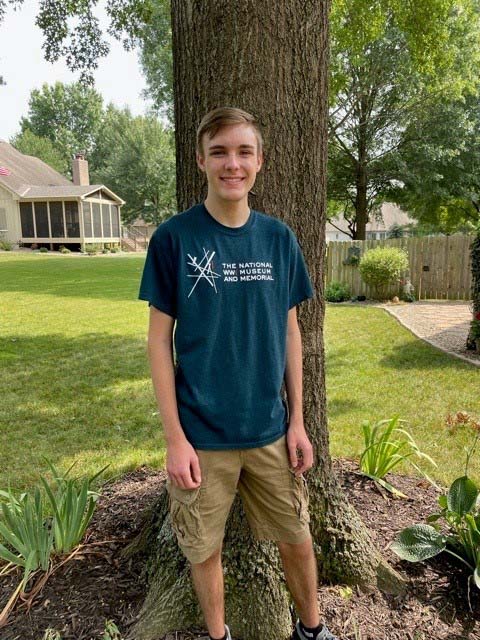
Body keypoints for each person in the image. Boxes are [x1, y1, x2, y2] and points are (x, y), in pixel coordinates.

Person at [138, 106, 337, 640]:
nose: (233, 163)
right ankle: (218, 635)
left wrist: (298, 421)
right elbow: (159, 341)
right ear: (201, 159)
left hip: (271, 431)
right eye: (221, 152)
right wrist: (175, 439)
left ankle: (312, 631)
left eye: (244, 152)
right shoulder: (174, 240)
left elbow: (291, 330)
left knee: (297, 535)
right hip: (202, 438)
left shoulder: (278, 239)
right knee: (204, 549)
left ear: (260, 162)